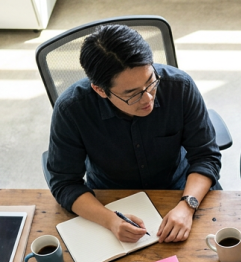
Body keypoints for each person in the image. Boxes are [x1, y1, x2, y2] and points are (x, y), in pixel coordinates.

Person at [47, 24, 221, 244]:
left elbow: (206, 156)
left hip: (180, 190)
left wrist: (187, 206)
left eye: (151, 82)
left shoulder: (180, 87)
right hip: (110, 200)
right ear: (100, 90)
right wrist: (110, 220)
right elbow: (64, 182)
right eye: (132, 94)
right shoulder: (72, 108)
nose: (148, 98)